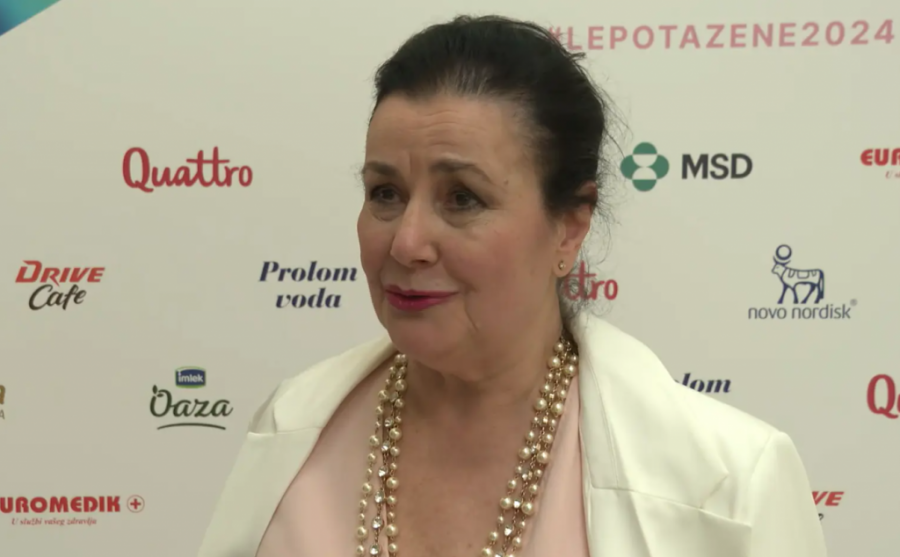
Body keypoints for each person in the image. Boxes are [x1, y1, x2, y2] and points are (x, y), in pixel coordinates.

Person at [197, 15, 826, 557]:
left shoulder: (732, 483)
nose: (407, 242)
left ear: (569, 228)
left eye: (462, 198)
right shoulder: (293, 430)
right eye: (385, 193)